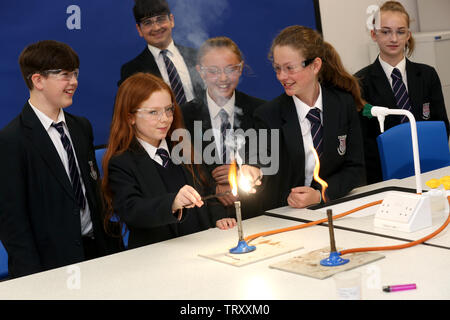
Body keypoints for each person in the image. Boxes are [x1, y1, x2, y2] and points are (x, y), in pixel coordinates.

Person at [0, 40, 120, 278]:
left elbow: (92, 191)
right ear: (38, 80)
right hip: (50, 265)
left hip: (98, 252)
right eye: (64, 75)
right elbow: (12, 221)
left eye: (75, 73)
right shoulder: (11, 140)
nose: (74, 82)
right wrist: (32, 278)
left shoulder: (80, 127)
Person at [102, 73, 235, 249]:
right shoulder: (122, 162)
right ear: (130, 117)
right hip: (158, 256)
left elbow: (207, 190)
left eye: (168, 109)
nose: (164, 118)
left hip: (202, 246)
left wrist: (219, 217)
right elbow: (132, 210)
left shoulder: (183, 147)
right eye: (153, 112)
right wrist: (172, 203)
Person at [254, 25, 366, 211]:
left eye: (290, 68)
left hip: (335, 206)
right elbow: (264, 167)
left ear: (315, 66)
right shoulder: (268, 115)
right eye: (277, 68)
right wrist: (253, 170)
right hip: (289, 215)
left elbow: (355, 169)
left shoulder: (342, 104)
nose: (282, 76)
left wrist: (321, 194)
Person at [355, 1, 449, 184]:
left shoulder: (427, 75)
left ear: (408, 35)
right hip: (386, 177)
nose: (393, 39)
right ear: (374, 34)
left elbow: (442, 126)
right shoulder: (360, 83)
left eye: (400, 31)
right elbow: (364, 143)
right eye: (385, 31)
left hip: (431, 170)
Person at [182, 37, 266, 220]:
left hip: (257, 214)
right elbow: (183, 171)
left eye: (231, 69)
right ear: (200, 72)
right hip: (206, 218)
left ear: (241, 68)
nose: (223, 78)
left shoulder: (260, 111)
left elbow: (270, 160)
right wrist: (214, 187)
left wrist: (242, 173)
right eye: (213, 71)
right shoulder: (184, 116)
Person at [118, 0, 203, 105]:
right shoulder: (132, 71)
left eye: (160, 19)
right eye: (148, 22)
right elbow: (127, 111)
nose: (156, 28)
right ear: (139, 29)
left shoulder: (198, 57)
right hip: (161, 121)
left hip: (198, 121)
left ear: (171, 20)